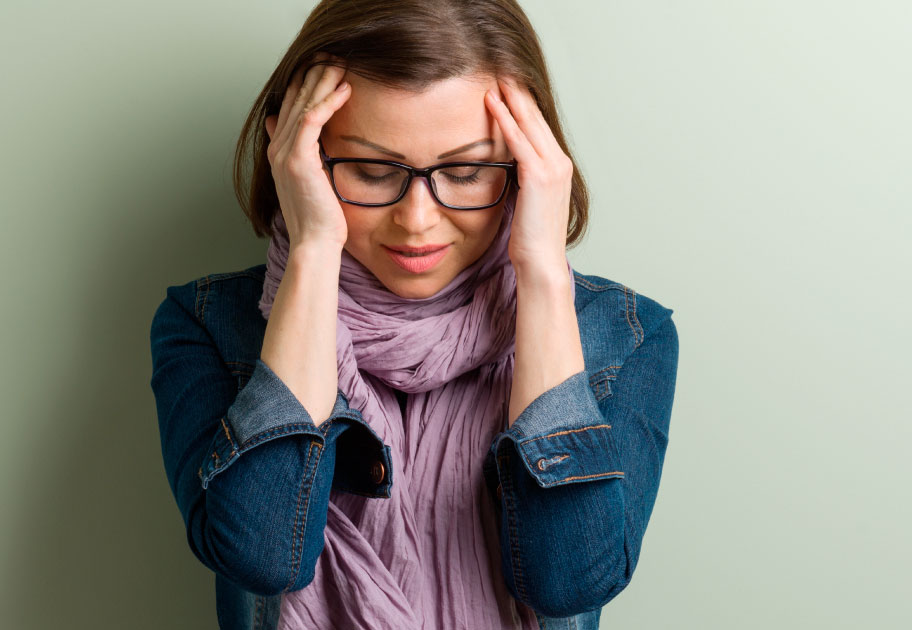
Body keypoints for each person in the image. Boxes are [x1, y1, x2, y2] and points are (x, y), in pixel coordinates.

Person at [147, 1, 680, 629]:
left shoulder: (626, 337)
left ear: (529, 164)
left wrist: (540, 271)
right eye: (372, 171)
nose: (417, 220)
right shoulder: (209, 325)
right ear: (298, 153)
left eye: (467, 171)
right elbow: (261, 557)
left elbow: (566, 582)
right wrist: (314, 250)